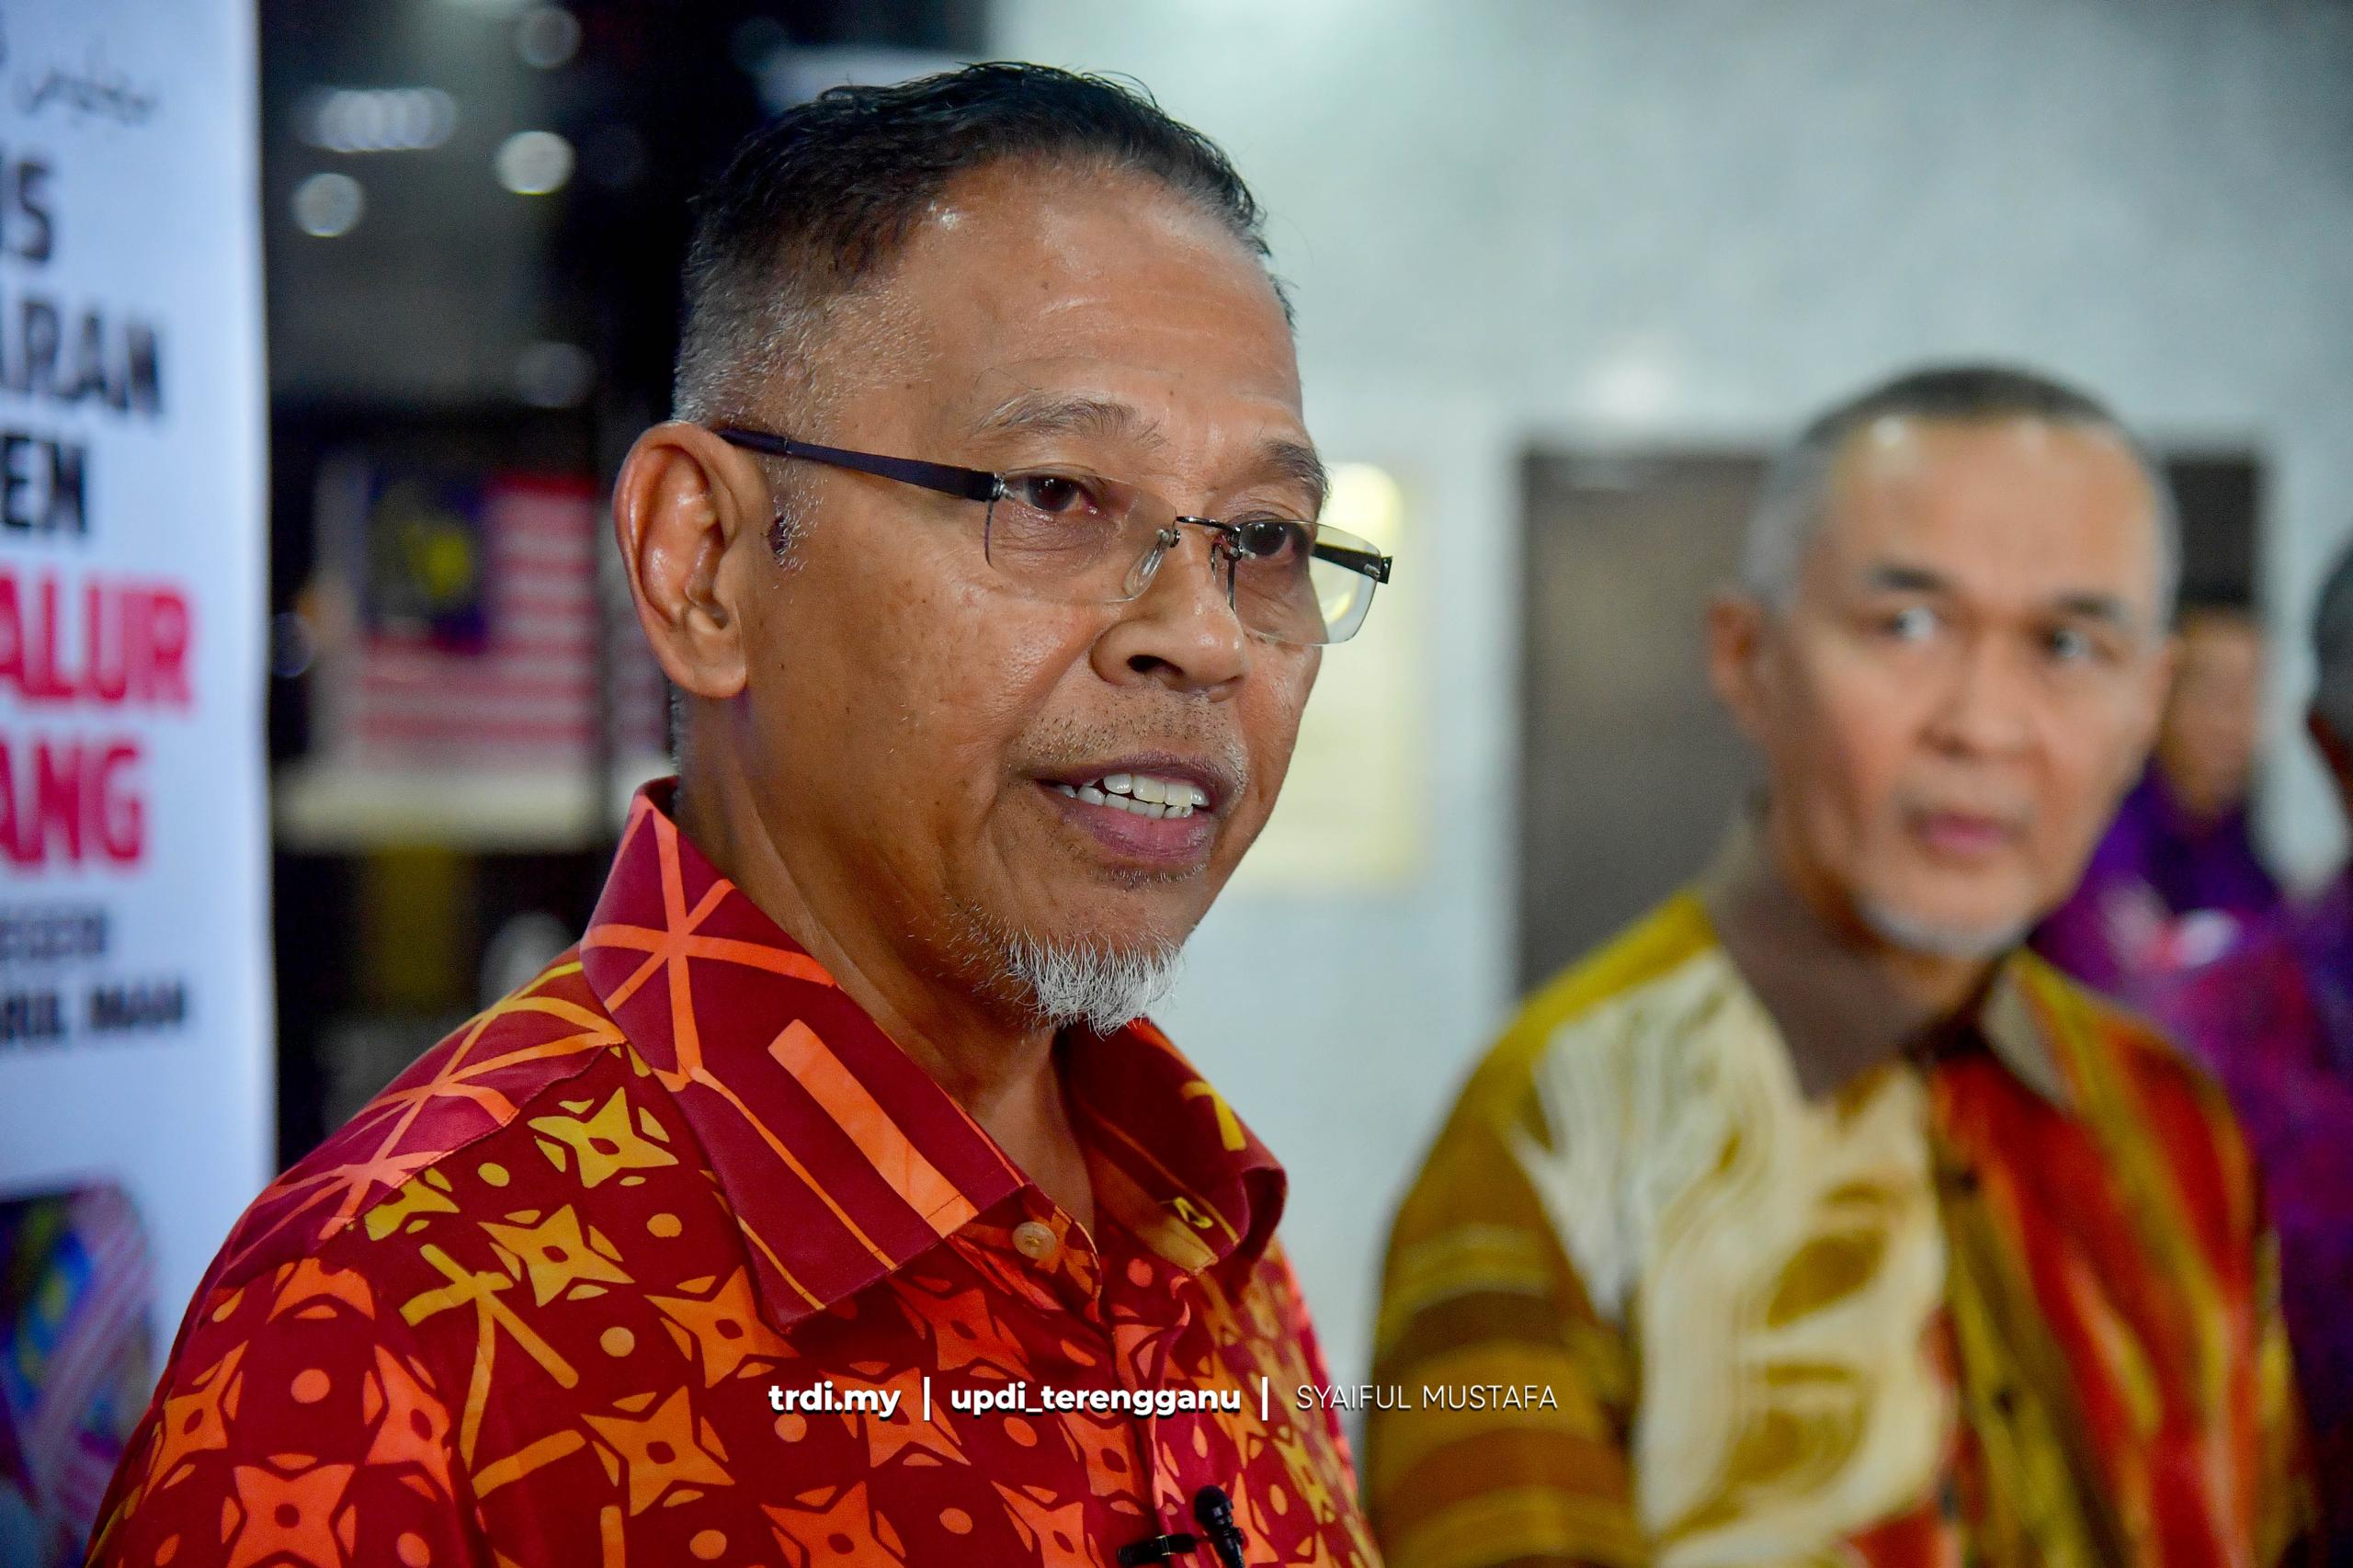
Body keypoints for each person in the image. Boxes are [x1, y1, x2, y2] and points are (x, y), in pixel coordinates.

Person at [88, 65, 1393, 1568]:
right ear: (702, 563)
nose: (1209, 636)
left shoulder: (1194, 1222)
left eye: (1268, 539)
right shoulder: (387, 1327)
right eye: (1051, 495)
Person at [1369, 366, 2307, 1566]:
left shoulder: (2171, 1122)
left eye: (2068, 644)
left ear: (2145, 703)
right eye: (1907, 625)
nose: (1983, 723)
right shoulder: (1555, 1132)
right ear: (1746, 654)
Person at [2036, 603, 2279, 994]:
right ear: (2160, 698)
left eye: (2252, 698)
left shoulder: (2249, 864)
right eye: (2217, 696)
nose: (2236, 724)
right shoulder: (2095, 841)